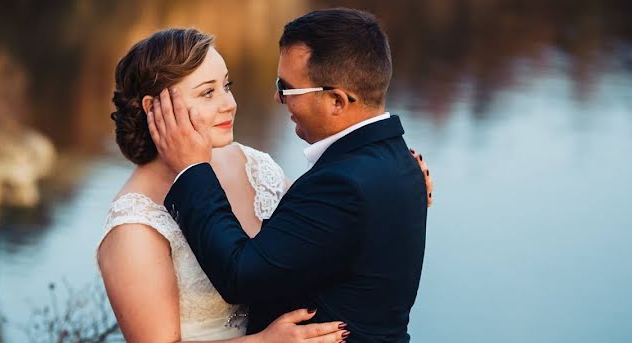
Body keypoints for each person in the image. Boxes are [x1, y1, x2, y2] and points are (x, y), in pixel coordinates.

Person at [97, 27, 431, 342]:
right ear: (154, 109)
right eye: (207, 92)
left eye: (227, 86)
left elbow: (325, 230)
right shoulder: (134, 225)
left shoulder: (252, 164)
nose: (230, 104)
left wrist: (393, 193)